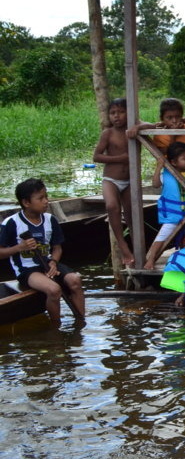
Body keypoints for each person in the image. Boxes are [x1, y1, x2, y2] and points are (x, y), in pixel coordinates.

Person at [0, 178, 85, 326]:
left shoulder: (50, 220)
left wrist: (54, 262)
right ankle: (56, 327)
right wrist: (19, 248)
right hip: (26, 270)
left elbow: (57, 248)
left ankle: (81, 322)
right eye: (40, 198)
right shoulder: (12, 223)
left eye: (46, 196)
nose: (46, 201)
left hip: (47, 263)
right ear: (26, 202)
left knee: (75, 280)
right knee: (54, 290)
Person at [144, 142, 185, 270]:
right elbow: (155, 184)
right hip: (173, 214)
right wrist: (159, 167)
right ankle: (151, 259)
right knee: (162, 236)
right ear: (173, 162)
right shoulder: (167, 173)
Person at [127, 97, 185, 187]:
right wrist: (173, 136)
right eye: (169, 118)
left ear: (182, 116)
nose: (174, 120)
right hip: (172, 173)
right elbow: (168, 155)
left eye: (178, 117)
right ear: (162, 119)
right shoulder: (160, 135)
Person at [94, 97, 134, 267]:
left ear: (129, 113)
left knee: (132, 214)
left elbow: (150, 125)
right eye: (113, 113)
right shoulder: (108, 133)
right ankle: (123, 247)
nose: (116, 116)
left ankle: (138, 248)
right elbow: (96, 156)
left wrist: (138, 126)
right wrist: (120, 158)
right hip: (111, 180)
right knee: (112, 206)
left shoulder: (132, 130)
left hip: (130, 181)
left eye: (121, 112)